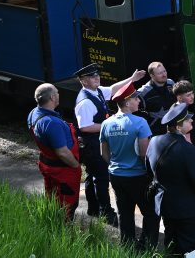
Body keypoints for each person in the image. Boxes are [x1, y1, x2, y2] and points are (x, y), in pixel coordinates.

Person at [74, 63, 145, 226]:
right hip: (91, 143)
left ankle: (93, 208)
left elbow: (112, 89)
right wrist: (109, 125)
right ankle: (106, 212)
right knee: (101, 178)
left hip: (94, 141)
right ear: (83, 81)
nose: (97, 77)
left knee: (93, 176)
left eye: (97, 75)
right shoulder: (85, 102)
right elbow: (84, 126)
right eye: (92, 76)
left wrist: (132, 79)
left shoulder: (95, 91)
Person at [146, 103, 195, 258]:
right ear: (178, 126)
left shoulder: (154, 141)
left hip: (165, 204)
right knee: (188, 245)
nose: (191, 122)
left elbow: (149, 170)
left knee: (170, 239)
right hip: (188, 208)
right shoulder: (187, 149)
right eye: (188, 120)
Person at [100, 82, 159, 252]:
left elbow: (104, 154)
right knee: (150, 212)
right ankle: (146, 247)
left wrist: (116, 165)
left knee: (124, 213)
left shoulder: (106, 123)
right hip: (138, 176)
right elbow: (144, 153)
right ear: (127, 102)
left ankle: (127, 248)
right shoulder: (139, 123)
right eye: (136, 99)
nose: (139, 102)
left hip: (116, 175)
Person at [27, 83, 81, 221]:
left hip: (48, 165)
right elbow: (62, 152)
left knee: (52, 200)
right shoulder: (51, 123)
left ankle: (52, 227)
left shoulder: (34, 113)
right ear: (52, 97)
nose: (58, 94)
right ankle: (64, 234)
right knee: (67, 205)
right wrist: (76, 166)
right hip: (63, 171)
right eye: (57, 92)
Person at [173, 80, 195, 168]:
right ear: (180, 98)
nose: (192, 97)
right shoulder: (179, 113)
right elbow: (186, 138)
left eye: (192, 93)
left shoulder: (183, 108)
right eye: (188, 95)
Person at [136, 61, 175, 135]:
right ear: (152, 75)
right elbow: (134, 110)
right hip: (157, 131)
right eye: (160, 73)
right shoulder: (144, 92)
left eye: (164, 71)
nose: (164, 75)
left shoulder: (171, 83)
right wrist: (150, 122)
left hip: (173, 125)